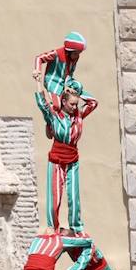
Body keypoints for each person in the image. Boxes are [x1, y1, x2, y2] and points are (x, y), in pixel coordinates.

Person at [36, 81, 98, 231]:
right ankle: (53, 226)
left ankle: (75, 226)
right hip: (57, 159)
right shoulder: (54, 116)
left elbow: (93, 103)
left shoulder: (79, 116)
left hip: (73, 160)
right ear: (63, 102)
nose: (75, 107)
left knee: (74, 195)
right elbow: (42, 103)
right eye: (72, 104)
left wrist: (76, 89)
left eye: (76, 104)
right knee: (55, 195)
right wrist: (38, 82)